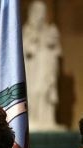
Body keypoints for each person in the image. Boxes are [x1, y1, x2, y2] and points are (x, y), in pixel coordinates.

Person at [23, 0, 63, 130]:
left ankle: (47, 120)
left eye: (42, 12)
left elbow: (57, 51)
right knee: (33, 92)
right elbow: (24, 50)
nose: (40, 15)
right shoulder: (27, 30)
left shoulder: (50, 30)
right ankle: (33, 118)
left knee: (45, 93)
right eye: (37, 11)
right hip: (32, 69)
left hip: (45, 67)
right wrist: (33, 43)